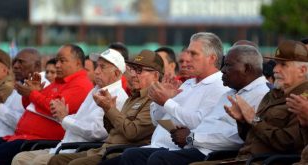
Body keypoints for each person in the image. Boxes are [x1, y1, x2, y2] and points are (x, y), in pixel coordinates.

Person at [117, 44, 269, 165]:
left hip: (210, 152)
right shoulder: (226, 92)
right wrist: (161, 103)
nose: (223, 70)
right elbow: (159, 120)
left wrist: (191, 137)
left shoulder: (256, 93)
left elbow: (233, 137)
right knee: (131, 155)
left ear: (211, 58)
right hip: (185, 145)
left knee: (157, 159)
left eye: (228, 66)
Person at [191, 40, 308, 165]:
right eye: (276, 64)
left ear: (302, 70)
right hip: (244, 158)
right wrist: (243, 121)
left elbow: (287, 143)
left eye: (283, 65)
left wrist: (254, 119)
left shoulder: (302, 100)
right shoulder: (273, 94)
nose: (275, 69)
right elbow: (251, 137)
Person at [11, 49, 129, 165]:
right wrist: (65, 116)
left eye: (102, 67)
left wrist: (65, 118)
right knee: (20, 158)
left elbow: (97, 132)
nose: (96, 71)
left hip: (79, 149)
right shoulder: (96, 90)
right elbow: (80, 118)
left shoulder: (117, 96)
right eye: (97, 66)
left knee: (36, 161)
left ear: (117, 73)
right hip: (64, 146)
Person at [47, 49, 163, 165]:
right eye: (132, 69)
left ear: (156, 76)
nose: (133, 74)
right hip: (102, 149)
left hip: (118, 153)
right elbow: (112, 129)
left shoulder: (154, 101)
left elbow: (132, 132)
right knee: (56, 160)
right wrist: (107, 109)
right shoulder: (132, 97)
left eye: (139, 70)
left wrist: (109, 108)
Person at [0, 44, 94, 165]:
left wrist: (33, 93)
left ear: (78, 63)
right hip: (23, 137)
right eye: (57, 60)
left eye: (62, 61)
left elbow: (53, 108)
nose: (57, 65)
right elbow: (31, 106)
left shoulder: (81, 85)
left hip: (39, 141)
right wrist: (32, 93)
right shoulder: (58, 82)